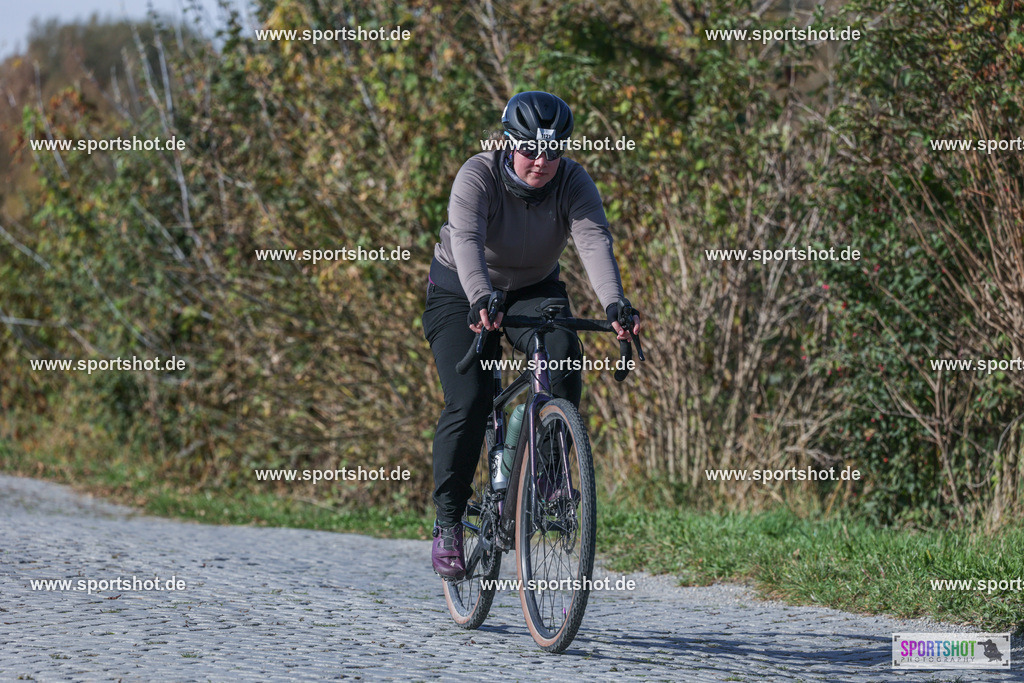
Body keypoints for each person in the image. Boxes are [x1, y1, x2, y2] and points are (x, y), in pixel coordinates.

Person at [422, 91, 642, 579]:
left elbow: (592, 239)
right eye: (530, 150)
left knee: (563, 351)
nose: (541, 162)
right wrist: (480, 298)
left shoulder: (572, 181)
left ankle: (550, 474)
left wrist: (615, 304)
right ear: (508, 143)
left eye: (553, 151)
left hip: (533, 289)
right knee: (472, 397)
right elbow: (468, 240)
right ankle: (449, 523)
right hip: (461, 289)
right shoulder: (476, 176)